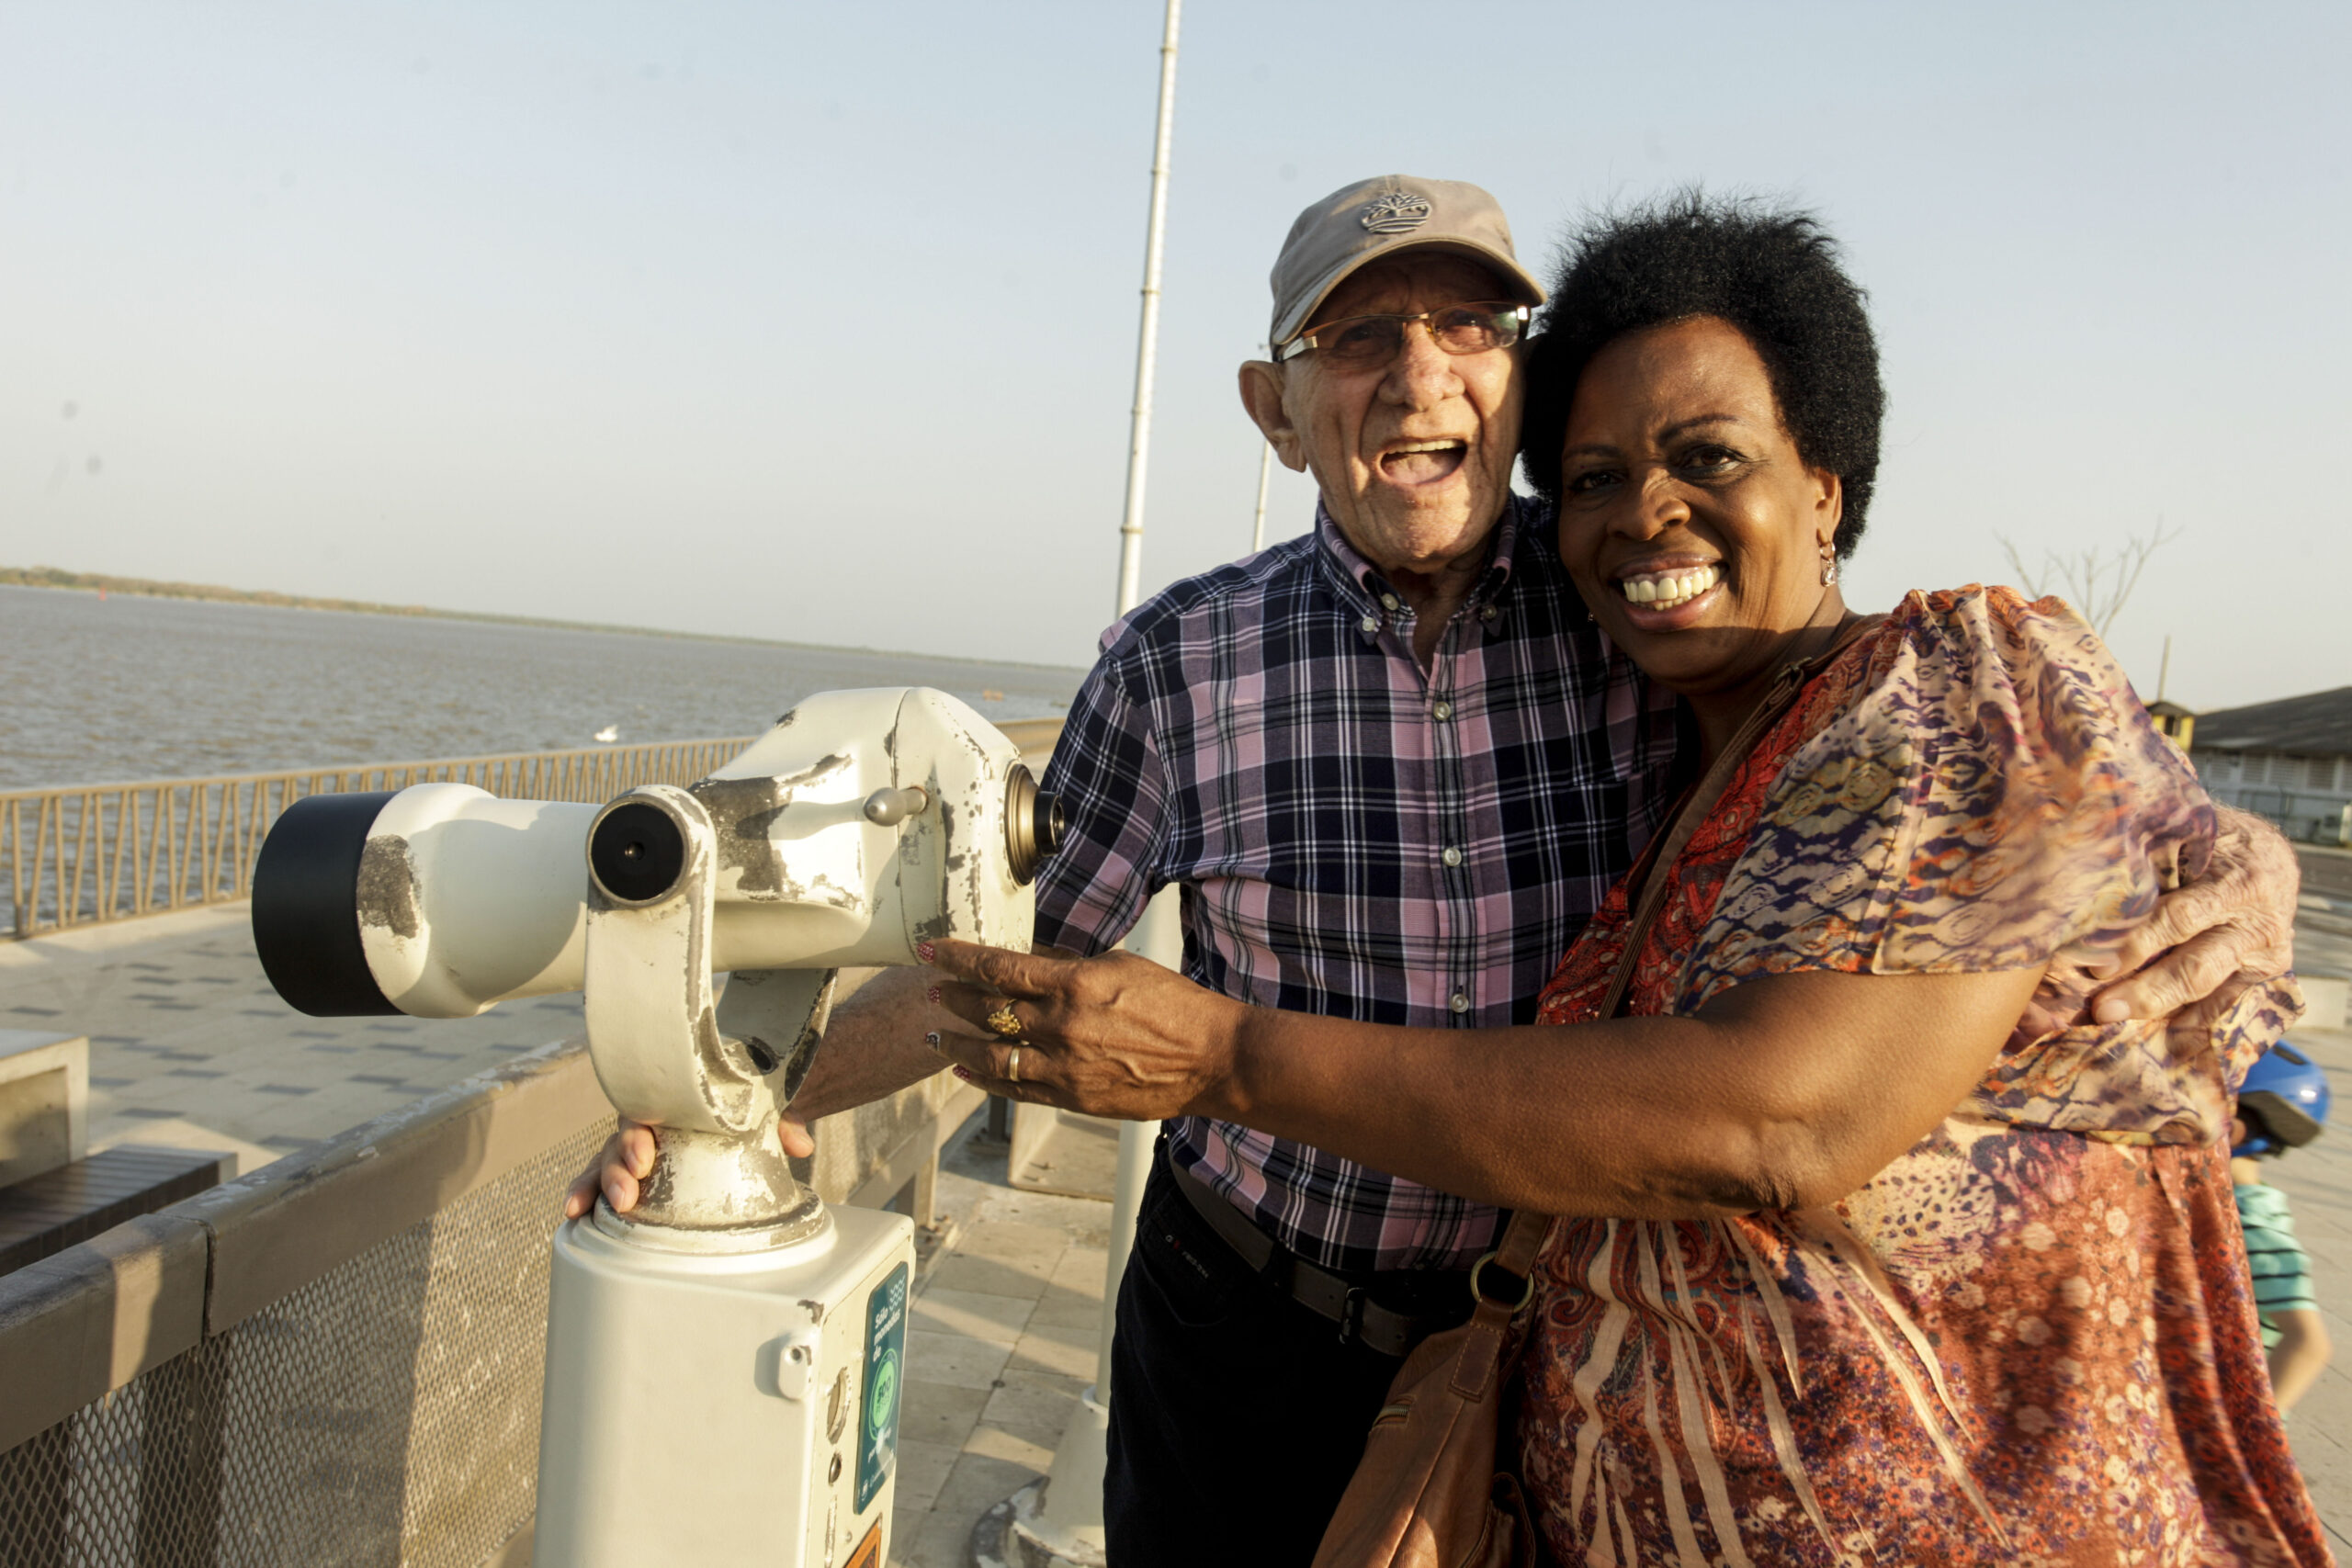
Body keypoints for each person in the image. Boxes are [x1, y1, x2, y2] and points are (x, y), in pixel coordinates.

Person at [567, 178, 2304, 1562]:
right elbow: (994, 960)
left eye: (1468, 324)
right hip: (1245, 1317)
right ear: (1278, 410)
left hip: (1536, 1326)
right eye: (1354, 337)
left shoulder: (1636, 602)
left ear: (1515, 388)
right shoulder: (1182, 663)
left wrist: (2219, 841)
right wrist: (754, 1098)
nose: (1416, 370)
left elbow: (1941, 759)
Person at [2233, 1041, 2334, 1411]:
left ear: (2236, 1127)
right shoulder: (2238, 1205)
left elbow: (2308, 1343)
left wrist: (2254, 1441)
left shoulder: (2248, 1222)